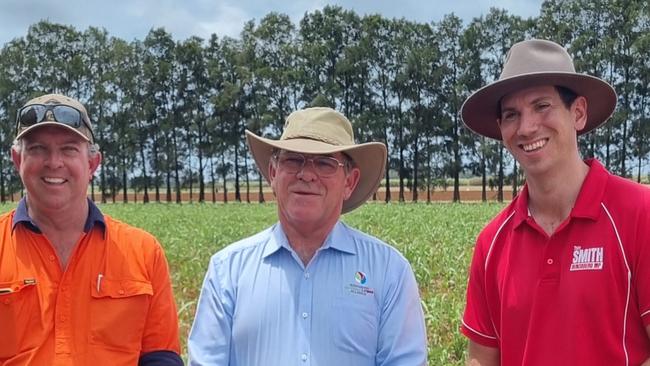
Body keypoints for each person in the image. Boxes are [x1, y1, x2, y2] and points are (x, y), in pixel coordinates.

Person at [460, 39, 650, 365]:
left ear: (578, 113)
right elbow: (482, 359)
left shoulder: (639, 214)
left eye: (541, 106)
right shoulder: (492, 243)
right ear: (501, 129)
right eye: (511, 114)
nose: (526, 127)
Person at [188, 107, 427, 365]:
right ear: (273, 173)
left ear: (350, 181)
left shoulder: (389, 271)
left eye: (324, 163)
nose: (306, 174)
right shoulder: (228, 270)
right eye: (293, 160)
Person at [0, 94, 183, 365]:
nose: (54, 162)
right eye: (37, 148)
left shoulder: (143, 252)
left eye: (69, 149)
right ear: (18, 160)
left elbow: (160, 357)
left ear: (92, 164)